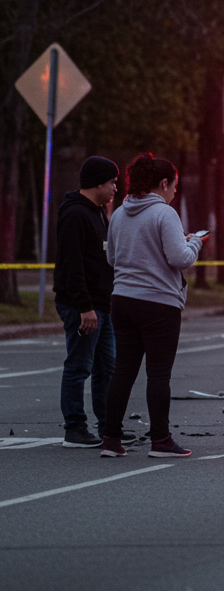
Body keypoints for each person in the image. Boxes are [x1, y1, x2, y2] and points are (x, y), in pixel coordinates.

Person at [99, 154, 202, 457]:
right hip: (159, 303)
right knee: (158, 374)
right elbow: (180, 258)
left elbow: (112, 259)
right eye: (173, 187)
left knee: (123, 371)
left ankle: (111, 439)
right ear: (163, 183)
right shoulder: (164, 213)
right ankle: (161, 440)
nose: (174, 194)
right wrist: (194, 241)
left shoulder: (119, 213)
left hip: (122, 300)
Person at [54, 156, 120, 448]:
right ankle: (75, 428)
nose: (115, 188)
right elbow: (72, 265)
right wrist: (84, 307)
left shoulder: (98, 212)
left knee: (107, 368)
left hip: (102, 304)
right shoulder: (75, 215)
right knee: (79, 366)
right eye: (112, 182)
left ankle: (108, 427)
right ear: (97, 183)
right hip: (83, 306)